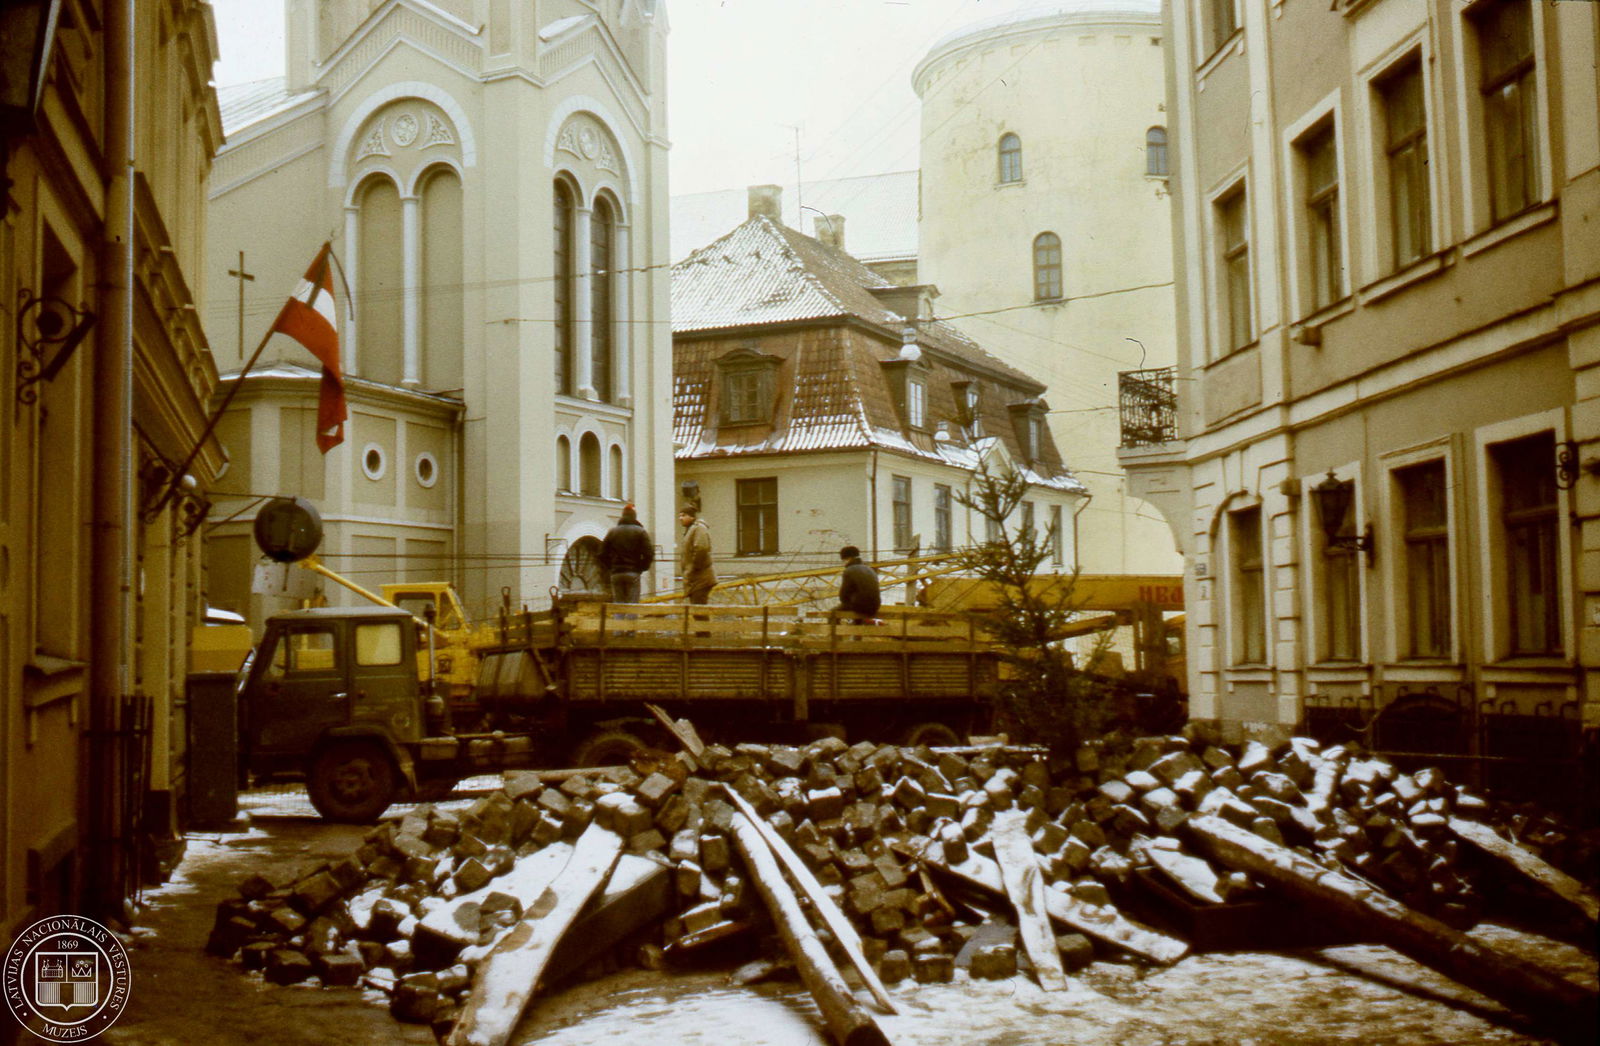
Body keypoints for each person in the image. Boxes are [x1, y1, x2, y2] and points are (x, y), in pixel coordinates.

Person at [598, 504, 654, 603]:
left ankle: (619, 614)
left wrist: (611, 566)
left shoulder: (612, 532)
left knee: (619, 604)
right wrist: (641, 568)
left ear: (622, 516)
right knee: (632, 605)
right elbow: (649, 554)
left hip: (616, 573)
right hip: (633, 572)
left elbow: (601, 554)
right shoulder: (640, 532)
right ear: (634, 517)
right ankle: (630, 614)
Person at [678, 504, 716, 604]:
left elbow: (701, 548)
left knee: (698, 608)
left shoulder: (698, 528)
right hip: (697, 578)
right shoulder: (691, 529)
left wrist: (694, 568)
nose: (680, 518)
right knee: (697, 607)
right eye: (680, 515)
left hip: (700, 578)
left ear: (692, 517)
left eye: (683, 515)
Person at [837, 545, 881, 621]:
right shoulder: (870, 569)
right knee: (858, 602)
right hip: (875, 606)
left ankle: (833, 628)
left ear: (848, 558)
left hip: (860, 606)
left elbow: (843, 595)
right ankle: (857, 626)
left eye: (843, 560)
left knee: (833, 612)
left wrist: (845, 604)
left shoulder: (849, 570)